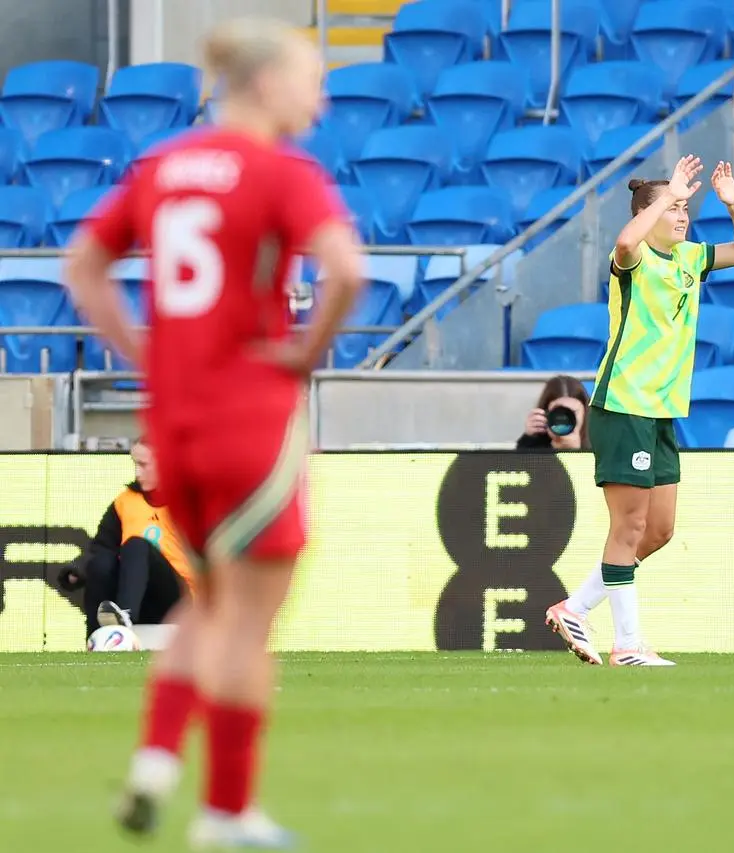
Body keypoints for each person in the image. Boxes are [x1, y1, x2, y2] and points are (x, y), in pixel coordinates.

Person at [64, 18, 364, 849]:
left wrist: (139, 351)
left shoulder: (159, 168)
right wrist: (305, 350)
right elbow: (347, 268)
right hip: (248, 414)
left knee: (217, 602)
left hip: (174, 420)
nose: (322, 95)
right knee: (249, 621)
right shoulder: (280, 172)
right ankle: (226, 811)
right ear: (266, 85)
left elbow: (83, 266)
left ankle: (158, 760)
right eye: (313, 77)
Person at [544, 158, 734, 666]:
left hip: (662, 411)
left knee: (659, 530)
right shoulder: (635, 256)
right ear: (651, 212)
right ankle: (627, 643)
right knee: (629, 527)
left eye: (687, 207)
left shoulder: (691, 258)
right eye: (674, 208)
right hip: (624, 404)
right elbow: (623, 244)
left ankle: (575, 607)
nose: (683, 216)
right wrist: (665, 196)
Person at [58, 438, 194, 637]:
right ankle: (96, 637)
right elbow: (102, 547)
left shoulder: (187, 501)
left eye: (143, 465)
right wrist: (78, 569)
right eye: (135, 465)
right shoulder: (125, 502)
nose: (137, 472)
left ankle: (125, 617)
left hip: (178, 600)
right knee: (101, 563)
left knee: (136, 544)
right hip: (137, 596)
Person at [516, 374, 591, 451]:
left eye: (571, 413)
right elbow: (521, 462)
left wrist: (577, 452)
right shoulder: (533, 446)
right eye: (558, 411)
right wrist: (529, 439)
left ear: (584, 413)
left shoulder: (598, 441)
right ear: (545, 414)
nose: (564, 419)